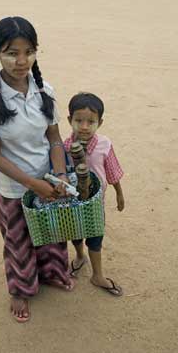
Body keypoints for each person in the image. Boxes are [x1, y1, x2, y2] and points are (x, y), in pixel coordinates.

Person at [0, 16, 74, 323]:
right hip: (15, 187)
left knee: (53, 232)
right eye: (11, 52)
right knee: (18, 240)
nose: (21, 61)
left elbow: (55, 138)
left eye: (29, 51)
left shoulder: (46, 90)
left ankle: (53, 273)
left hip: (48, 179)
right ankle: (20, 289)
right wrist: (32, 184)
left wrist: (57, 176)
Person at [64, 92, 125, 296]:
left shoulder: (104, 145)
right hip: (72, 201)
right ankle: (80, 256)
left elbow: (112, 171)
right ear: (69, 120)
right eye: (78, 120)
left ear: (100, 122)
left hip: (95, 202)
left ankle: (97, 275)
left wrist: (119, 194)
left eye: (91, 121)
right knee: (74, 232)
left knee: (95, 237)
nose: (84, 126)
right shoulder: (64, 146)